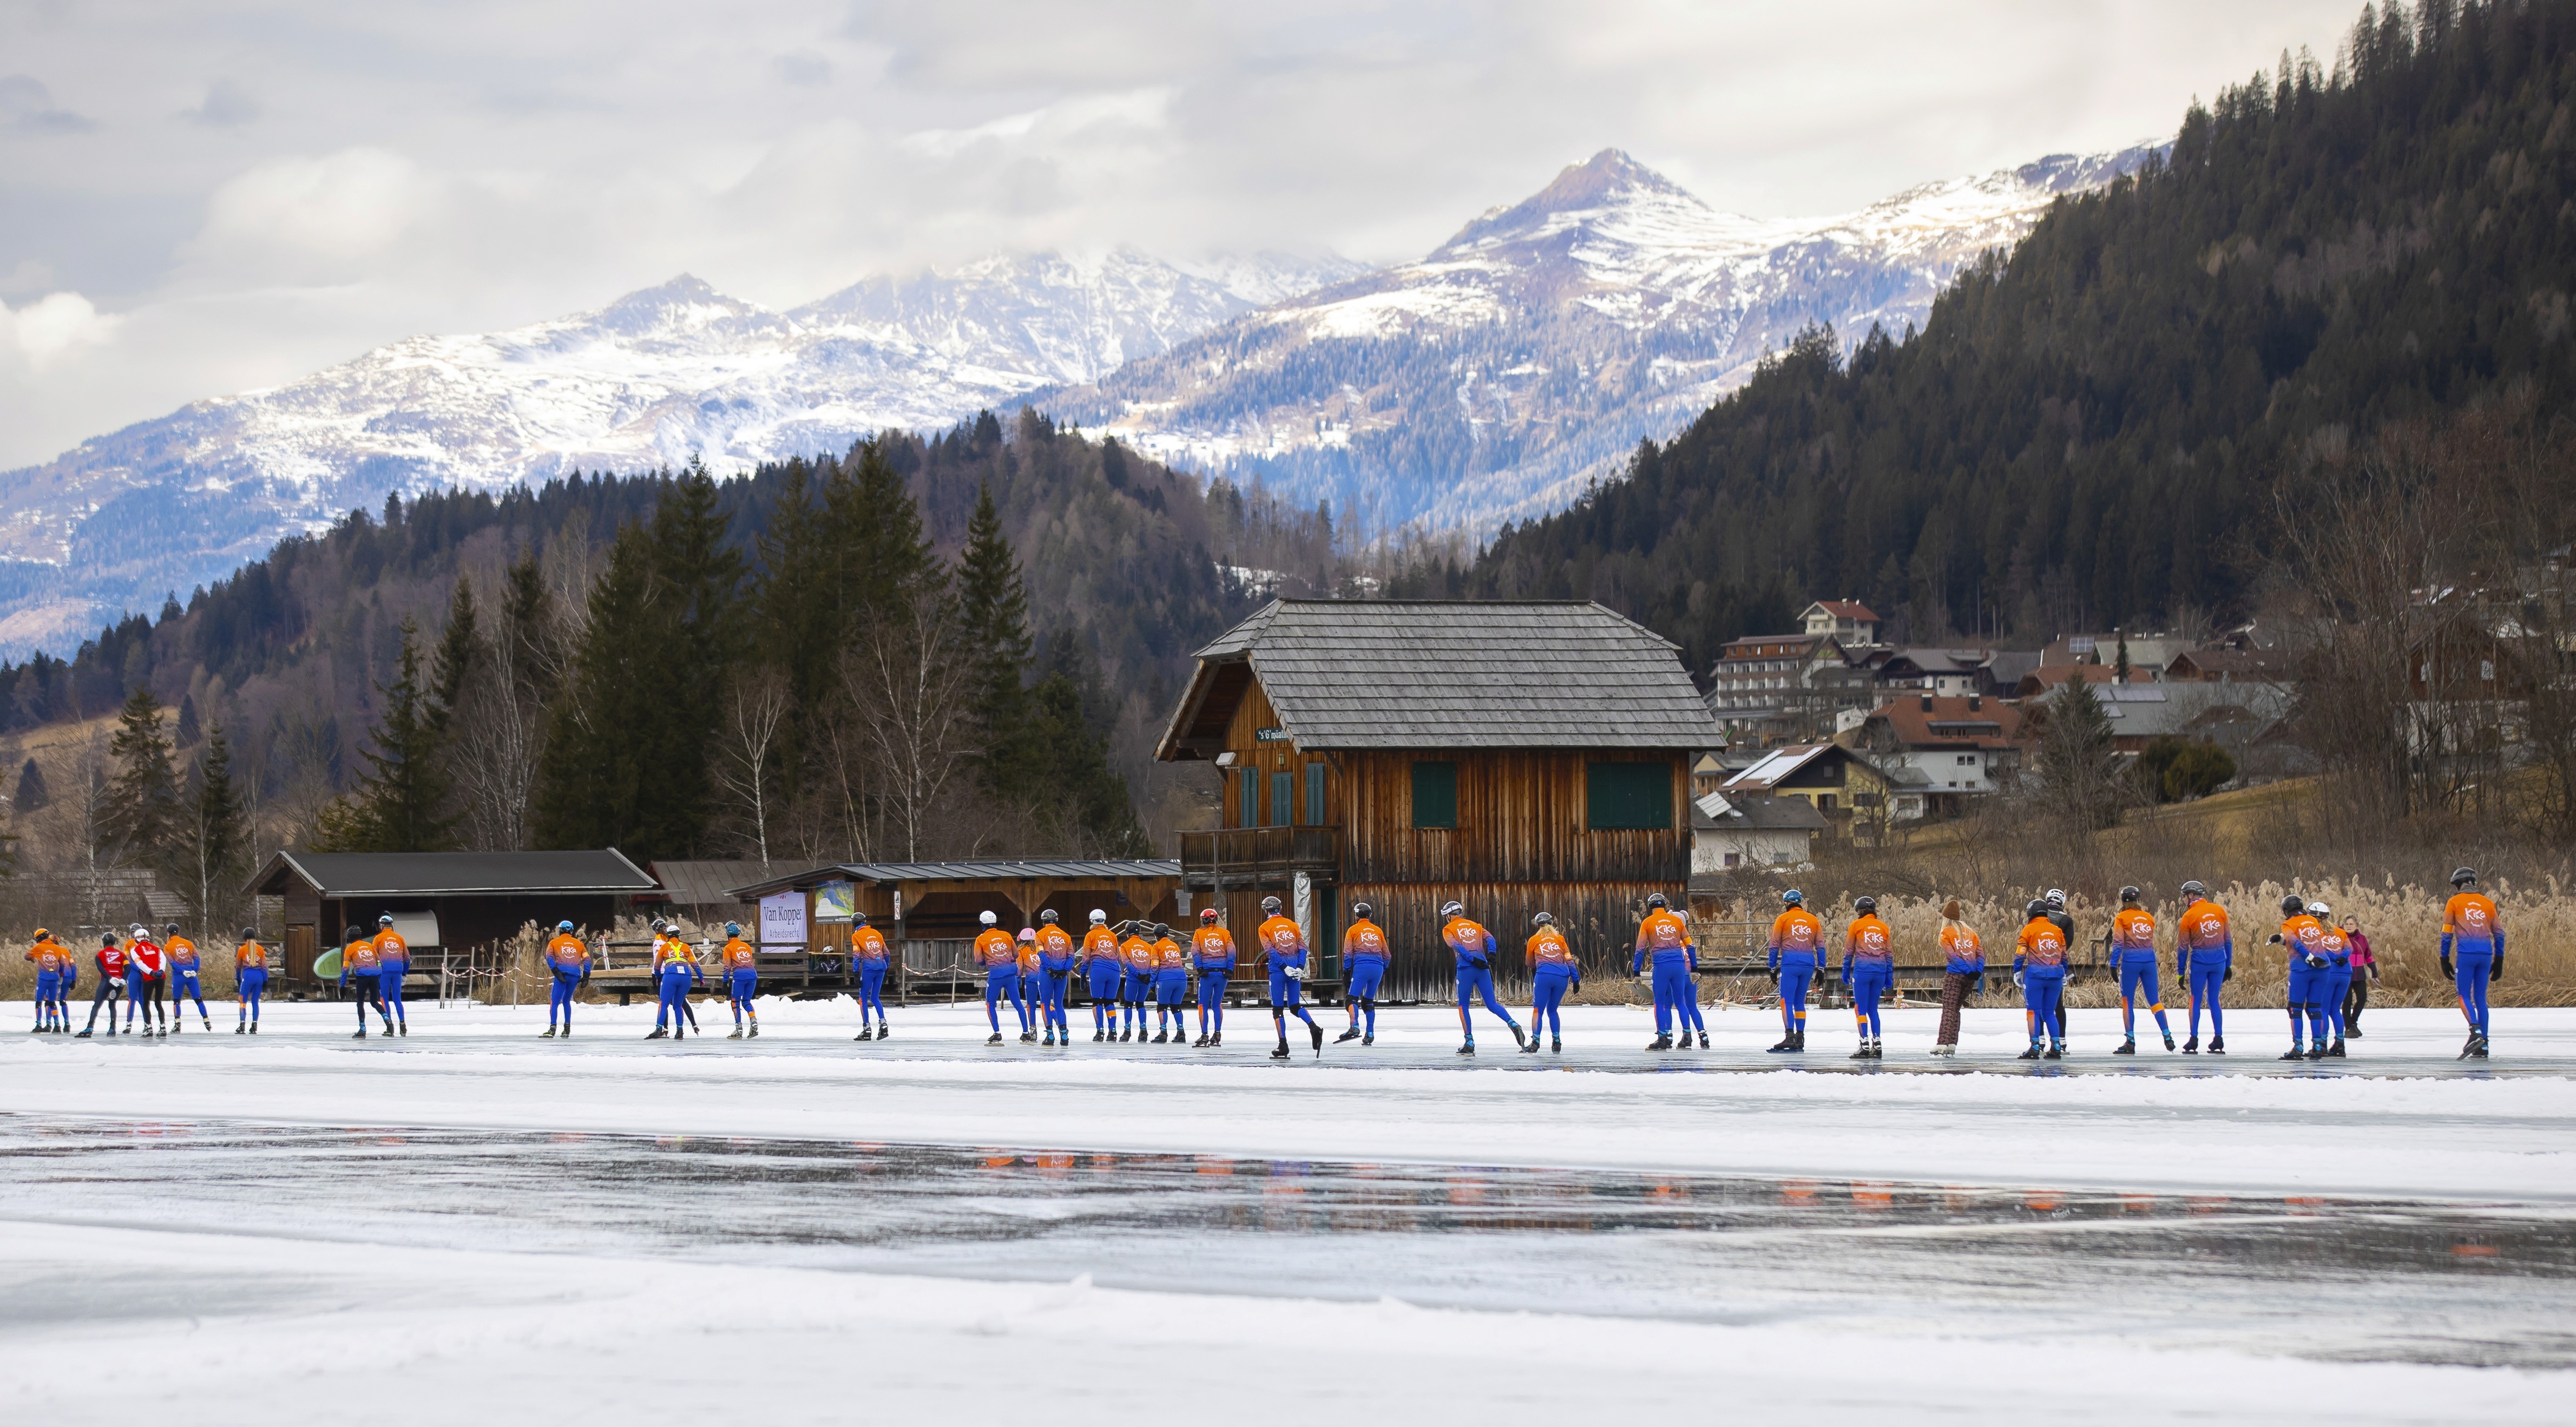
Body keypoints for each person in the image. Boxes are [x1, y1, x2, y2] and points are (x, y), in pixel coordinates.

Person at [1441, 901, 1525, 1056]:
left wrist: (1471, 959)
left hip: (1466, 969)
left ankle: (1470, 1041)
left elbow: (1457, 946)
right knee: (1492, 1004)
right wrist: (1491, 954)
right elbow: (1491, 939)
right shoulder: (1476, 926)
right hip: (1483, 968)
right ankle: (1513, 1024)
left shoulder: (1448, 929)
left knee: (1463, 1006)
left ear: (1448, 915)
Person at [2441, 866, 2501, 1060]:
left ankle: (2475, 1032)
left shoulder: (2454, 902)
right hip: (2485, 954)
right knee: (2481, 999)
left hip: (2466, 955)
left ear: (2459, 884)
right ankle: (2484, 1044)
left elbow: (2447, 933)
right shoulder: (2488, 903)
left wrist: (2444, 958)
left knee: (2463, 995)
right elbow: (2499, 933)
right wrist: (2499, 959)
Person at [1255, 896, 1326, 1059]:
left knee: (1278, 1009)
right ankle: (1314, 1027)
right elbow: (1303, 948)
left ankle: (1283, 1045)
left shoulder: (1264, 928)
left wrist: (1283, 967)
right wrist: (1300, 967)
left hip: (1279, 972)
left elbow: (1270, 951)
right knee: (1295, 1006)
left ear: (1266, 910)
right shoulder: (1293, 925)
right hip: (1295, 970)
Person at [2109, 887, 2175, 1055]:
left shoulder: (2121, 917)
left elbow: (2118, 943)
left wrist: (2113, 965)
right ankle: (2167, 1036)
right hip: (2149, 961)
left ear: (2123, 901)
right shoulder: (2149, 917)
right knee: (2154, 1001)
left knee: (2127, 1001)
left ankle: (2130, 1041)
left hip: (2131, 962)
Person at [2173, 880, 2232, 1054]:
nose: (2184, 900)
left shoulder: (2189, 917)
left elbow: (2183, 948)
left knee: (2195, 1000)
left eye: (2184, 897)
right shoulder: (2219, 911)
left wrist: (2180, 972)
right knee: (2214, 999)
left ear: (2191, 896)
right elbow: (2228, 940)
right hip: (2219, 962)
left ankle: (2194, 1039)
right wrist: (2229, 964)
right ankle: (2219, 1038)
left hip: (2200, 963)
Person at [1633, 892, 1697, 1051]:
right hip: (1679, 966)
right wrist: (1694, 968)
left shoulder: (1648, 923)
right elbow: (1690, 946)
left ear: (1650, 907)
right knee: (1681, 1002)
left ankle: (1662, 1038)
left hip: (1661, 966)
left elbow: (1640, 949)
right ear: (1665, 905)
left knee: (1660, 1003)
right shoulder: (1677, 921)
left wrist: (1636, 972)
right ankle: (1687, 1035)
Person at [2268, 894, 2327, 1062]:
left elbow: (2297, 943)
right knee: (2315, 1008)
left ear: (2287, 911)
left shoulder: (2288, 924)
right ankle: (2317, 1046)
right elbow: (2309, 938)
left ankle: (2298, 1046)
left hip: (2302, 969)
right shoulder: (2313, 920)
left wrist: (2309, 958)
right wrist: (2279, 940)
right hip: (2323, 968)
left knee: (2295, 1008)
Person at [1766, 890, 1824, 1053]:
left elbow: (1774, 945)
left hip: (1790, 964)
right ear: (1800, 902)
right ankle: (1800, 1037)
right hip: (1808, 964)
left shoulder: (1783, 919)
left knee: (1786, 1001)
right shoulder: (1813, 920)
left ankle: (1789, 1036)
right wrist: (1821, 968)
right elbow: (1820, 945)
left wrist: (1772, 967)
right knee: (1800, 1002)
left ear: (1786, 903)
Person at [2012, 899, 2069, 1061]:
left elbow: (2020, 953)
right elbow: (2064, 955)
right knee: (2049, 1012)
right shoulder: (2057, 931)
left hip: (2035, 975)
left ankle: (2035, 1046)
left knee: (2033, 1011)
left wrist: (2017, 972)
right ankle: (2056, 1046)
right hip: (2056, 976)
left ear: (2031, 914)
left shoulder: (2029, 930)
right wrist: (2064, 971)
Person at [1842, 896, 1894, 1060]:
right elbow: (1889, 954)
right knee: (1873, 1009)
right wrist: (1889, 976)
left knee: (1860, 1008)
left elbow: (1849, 951)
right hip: (1880, 971)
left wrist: (1845, 971)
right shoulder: (1883, 927)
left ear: (1860, 911)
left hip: (1863, 971)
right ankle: (1877, 1042)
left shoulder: (1856, 926)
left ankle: (1864, 1043)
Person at [1524, 911, 1580, 1054]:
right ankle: (1557, 1042)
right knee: (1553, 1010)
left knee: (1538, 1010)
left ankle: (1535, 1042)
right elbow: (1569, 959)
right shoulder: (1560, 938)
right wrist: (1576, 980)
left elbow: (1529, 963)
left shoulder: (1534, 940)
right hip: (1562, 977)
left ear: (1538, 925)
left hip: (1544, 976)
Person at [1931, 901, 1982, 1055]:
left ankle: (1942, 1043)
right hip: (1971, 977)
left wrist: (1965, 969)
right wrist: (1976, 971)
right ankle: (1952, 1042)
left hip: (1955, 975)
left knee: (1948, 1008)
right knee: (1957, 1009)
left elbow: (1952, 956)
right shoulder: (1971, 932)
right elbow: (1980, 954)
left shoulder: (1946, 933)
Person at [1336, 903, 1390, 1045]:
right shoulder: (1378, 931)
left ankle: (1354, 1027)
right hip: (1377, 968)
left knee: (1351, 999)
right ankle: (1370, 1034)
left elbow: (1348, 953)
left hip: (1361, 967)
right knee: (1368, 1002)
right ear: (1370, 915)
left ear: (1356, 916)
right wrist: (1383, 968)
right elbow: (1387, 955)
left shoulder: (1353, 930)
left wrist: (1346, 972)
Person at [973, 912, 1023, 1046]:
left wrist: (989, 962)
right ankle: (1026, 1032)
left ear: (982, 924)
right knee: (1018, 1004)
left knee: (990, 1005)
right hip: (1011, 975)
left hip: (995, 976)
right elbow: (1016, 954)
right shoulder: (1006, 935)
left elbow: (979, 960)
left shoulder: (980, 939)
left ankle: (997, 1033)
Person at [2310, 901, 2351, 1058]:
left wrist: (2334, 959)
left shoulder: (2316, 933)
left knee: (2323, 1009)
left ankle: (2322, 1044)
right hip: (2345, 973)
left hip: (2329, 973)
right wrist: (2342, 958)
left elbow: (2322, 950)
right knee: (2336, 1009)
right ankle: (2340, 1044)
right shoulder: (2339, 932)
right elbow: (2349, 948)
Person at [1191, 908, 1237, 1048]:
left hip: (1207, 973)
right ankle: (1217, 1034)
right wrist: (1230, 969)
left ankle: (1204, 1035)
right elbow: (1232, 951)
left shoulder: (1199, 933)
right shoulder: (1225, 933)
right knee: (1217, 1003)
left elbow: (1195, 952)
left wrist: (1200, 968)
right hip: (1222, 973)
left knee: (1203, 1004)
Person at [649, 931, 703, 1040]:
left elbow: (657, 965)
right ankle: (680, 1031)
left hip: (671, 975)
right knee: (678, 1005)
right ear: (679, 936)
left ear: (668, 936)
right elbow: (695, 964)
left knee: (663, 1004)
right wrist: (701, 978)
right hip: (686, 977)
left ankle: (659, 1028)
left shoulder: (665, 947)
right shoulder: (686, 947)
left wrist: (658, 977)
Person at [1034, 910, 1076, 1047]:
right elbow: (1071, 956)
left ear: (1043, 921)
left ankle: (1050, 1036)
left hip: (1047, 973)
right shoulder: (1066, 936)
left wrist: (1049, 968)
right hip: (1062, 973)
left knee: (1045, 1004)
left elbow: (1041, 952)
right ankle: (1064, 1036)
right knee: (1059, 1004)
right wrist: (1065, 970)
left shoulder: (1040, 934)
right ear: (1056, 921)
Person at [339, 922, 387, 1038]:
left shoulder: (349, 949)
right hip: (375, 975)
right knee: (375, 1002)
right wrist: (379, 973)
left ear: (350, 938)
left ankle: (363, 1028)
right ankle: (388, 1021)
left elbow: (345, 968)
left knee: (360, 1003)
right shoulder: (369, 946)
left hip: (362, 977)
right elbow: (379, 961)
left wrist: (342, 986)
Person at [1082, 910, 1123, 1042]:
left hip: (1099, 969)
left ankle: (1100, 1031)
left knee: (1097, 1001)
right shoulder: (1112, 935)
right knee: (1110, 1002)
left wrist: (1083, 973)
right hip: (1114, 969)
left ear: (1091, 921)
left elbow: (1086, 956)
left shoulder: (1091, 935)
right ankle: (1113, 1031)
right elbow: (1118, 954)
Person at [541, 920, 588, 1038]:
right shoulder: (579, 944)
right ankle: (567, 1029)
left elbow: (549, 957)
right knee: (566, 1001)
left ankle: (552, 1029)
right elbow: (587, 959)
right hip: (575, 975)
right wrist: (586, 976)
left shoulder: (554, 943)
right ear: (572, 931)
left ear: (560, 930)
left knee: (555, 1002)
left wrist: (556, 971)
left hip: (561, 974)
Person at [851, 913, 892, 1042]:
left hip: (869, 970)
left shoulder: (856, 936)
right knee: (875, 998)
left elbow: (856, 955)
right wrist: (887, 969)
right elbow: (887, 953)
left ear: (854, 923)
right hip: (881, 968)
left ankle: (867, 1028)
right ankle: (883, 1024)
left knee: (863, 998)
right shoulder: (877, 933)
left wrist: (856, 973)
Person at [2043, 889, 2075, 1047]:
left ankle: (2039, 1040)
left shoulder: (2039, 917)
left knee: (2039, 1004)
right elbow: (2067, 944)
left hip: (2038, 964)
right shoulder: (2067, 920)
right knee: (2057, 1004)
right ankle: (2061, 1040)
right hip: (2057, 966)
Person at [77, 932, 126, 1037]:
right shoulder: (122, 954)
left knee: (97, 1005)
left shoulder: (100, 954)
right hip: (118, 981)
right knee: (112, 1005)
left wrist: (109, 978)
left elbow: (101, 968)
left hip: (107, 981)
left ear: (104, 942)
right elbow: (128, 967)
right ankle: (112, 1029)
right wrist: (124, 979)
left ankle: (90, 1028)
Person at [124, 924, 169, 1037]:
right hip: (161, 978)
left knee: (145, 1002)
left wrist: (150, 972)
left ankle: (148, 1027)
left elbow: (138, 963)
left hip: (148, 978)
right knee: (158, 1003)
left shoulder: (135, 948)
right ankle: (163, 1027)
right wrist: (161, 971)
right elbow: (163, 959)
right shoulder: (157, 948)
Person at [165, 923, 211, 1033]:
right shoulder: (188, 943)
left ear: (169, 934)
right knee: (199, 999)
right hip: (191, 975)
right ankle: (206, 1020)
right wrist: (194, 971)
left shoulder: (168, 947)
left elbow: (172, 963)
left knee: (177, 1001)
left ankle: (177, 1024)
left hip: (179, 975)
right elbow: (197, 958)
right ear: (178, 932)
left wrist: (182, 971)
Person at [25, 928, 72, 1034]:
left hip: (43, 979)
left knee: (39, 1002)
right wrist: (61, 975)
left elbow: (27, 956)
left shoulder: (39, 947)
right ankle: (57, 1025)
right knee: (52, 1003)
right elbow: (63, 964)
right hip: (55, 979)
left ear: (39, 938)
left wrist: (33, 958)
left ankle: (38, 1024)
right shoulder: (57, 948)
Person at [718, 922, 760, 1039]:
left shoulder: (728, 948)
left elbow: (727, 967)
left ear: (728, 934)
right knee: (746, 1001)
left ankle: (739, 1029)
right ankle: (753, 1021)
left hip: (740, 976)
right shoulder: (746, 946)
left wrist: (725, 982)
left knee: (735, 1002)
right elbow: (750, 960)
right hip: (752, 974)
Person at [1118, 918, 1156, 1042]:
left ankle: (1127, 1031)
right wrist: (1149, 975)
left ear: (1128, 932)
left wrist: (1137, 974)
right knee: (1141, 1004)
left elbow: (1127, 963)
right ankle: (1144, 1030)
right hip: (1146, 979)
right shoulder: (1148, 946)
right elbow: (1154, 962)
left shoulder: (1125, 946)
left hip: (1133, 978)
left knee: (1128, 1004)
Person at [372, 914, 410, 1037]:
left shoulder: (378, 938)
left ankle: (389, 1027)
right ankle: (403, 1025)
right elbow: (407, 958)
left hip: (384, 971)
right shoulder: (400, 938)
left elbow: (374, 957)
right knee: (397, 999)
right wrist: (404, 972)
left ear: (382, 926)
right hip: (398, 971)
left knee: (384, 998)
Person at [1151, 922, 1190, 1043]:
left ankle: (1163, 1032)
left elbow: (1155, 966)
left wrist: (1152, 983)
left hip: (1166, 978)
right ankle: (1181, 1032)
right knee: (1176, 1006)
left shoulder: (1156, 947)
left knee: (1162, 1006)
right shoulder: (1174, 946)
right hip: (1181, 978)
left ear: (1157, 936)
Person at [2340, 914, 2377, 1038]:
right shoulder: (2340, 937)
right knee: (2347, 1001)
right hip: (2345, 974)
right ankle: (2348, 1028)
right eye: (2347, 924)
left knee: (2362, 998)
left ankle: (2353, 1022)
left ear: (2356, 926)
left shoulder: (2362, 939)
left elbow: (2369, 956)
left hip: (2359, 973)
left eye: (2351, 924)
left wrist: (2374, 972)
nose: (2349, 926)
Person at [233, 929, 267, 1034]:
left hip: (248, 976)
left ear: (244, 937)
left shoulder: (242, 950)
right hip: (259, 977)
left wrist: (238, 979)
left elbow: (238, 967)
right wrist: (265, 980)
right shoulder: (261, 949)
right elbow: (265, 967)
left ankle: (242, 1024)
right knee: (255, 1002)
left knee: (243, 1001)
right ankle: (254, 1025)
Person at [1014, 926, 1042, 1042]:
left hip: (1031, 980)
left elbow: (1019, 968)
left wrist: (1017, 980)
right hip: (1044, 979)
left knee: (1031, 1006)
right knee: (1046, 1004)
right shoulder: (1041, 948)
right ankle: (1058, 1024)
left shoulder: (1021, 950)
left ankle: (1033, 1031)